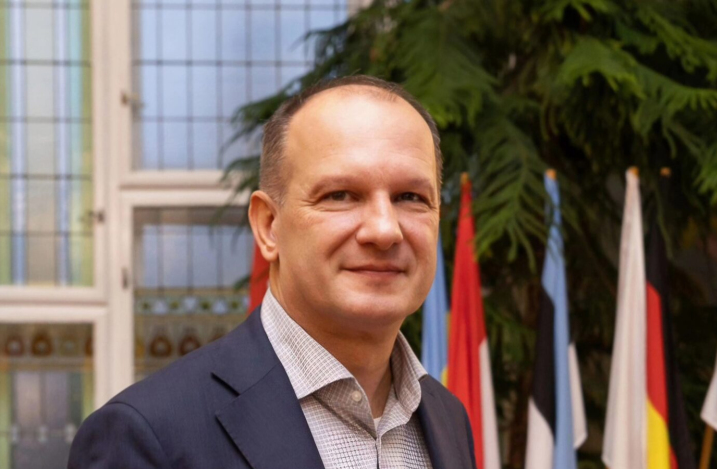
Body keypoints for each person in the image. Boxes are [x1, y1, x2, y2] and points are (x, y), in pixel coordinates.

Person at [68, 75, 478, 469]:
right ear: (268, 226)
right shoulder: (148, 435)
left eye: (410, 197)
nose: (384, 230)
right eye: (341, 195)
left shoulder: (448, 418)